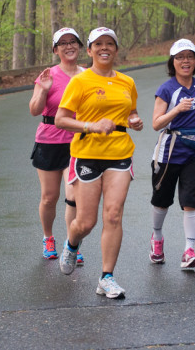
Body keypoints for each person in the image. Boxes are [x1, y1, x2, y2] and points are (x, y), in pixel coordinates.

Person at [55, 27, 143, 299]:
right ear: (90, 50)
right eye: (99, 44)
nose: (105, 48)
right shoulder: (80, 81)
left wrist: (135, 121)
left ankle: (106, 277)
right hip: (88, 154)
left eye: (110, 44)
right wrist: (90, 126)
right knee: (86, 222)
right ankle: (72, 244)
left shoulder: (127, 82)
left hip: (119, 154)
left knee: (113, 215)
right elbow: (61, 119)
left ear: (116, 50)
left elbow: (132, 112)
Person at [149, 39, 195, 269]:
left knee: (191, 201)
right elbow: (156, 123)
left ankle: (189, 250)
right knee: (161, 201)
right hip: (168, 151)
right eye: (180, 57)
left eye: (190, 57)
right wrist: (176, 109)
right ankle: (157, 238)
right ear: (172, 62)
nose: (185, 61)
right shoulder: (166, 89)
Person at [29, 28, 85, 265]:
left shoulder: (88, 75)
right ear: (55, 50)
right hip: (50, 141)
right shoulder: (47, 75)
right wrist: (43, 90)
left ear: (80, 46)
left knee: (74, 197)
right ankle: (48, 238)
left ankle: (71, 245)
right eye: (63, 43)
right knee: (49, 197)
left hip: (79, 142)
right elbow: (34, 110)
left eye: (73, 42)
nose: (69, 46)